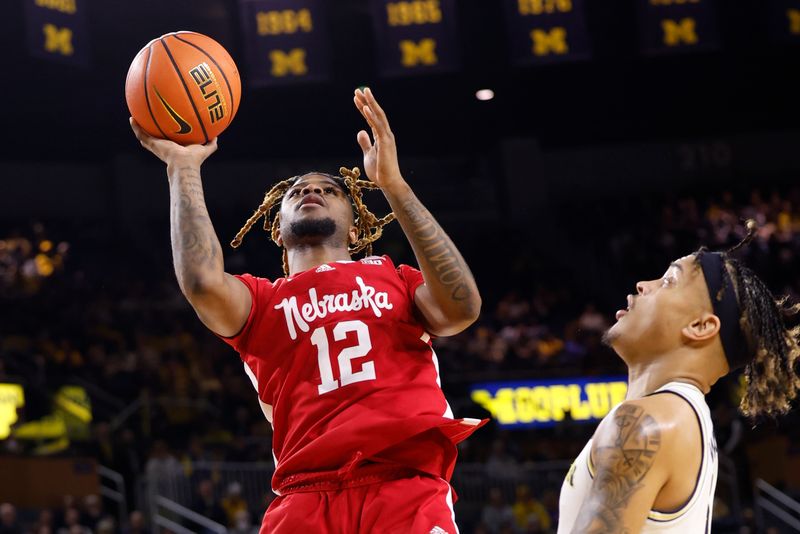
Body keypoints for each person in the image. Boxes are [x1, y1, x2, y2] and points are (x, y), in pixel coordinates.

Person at [130, 87, 485, 533]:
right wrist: (182, 168)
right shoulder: (261, 302)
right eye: (298, 190)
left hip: (403, 486)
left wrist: (394, 186)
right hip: (304, 497)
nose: (312, 190)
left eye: (329, 189)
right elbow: (201, 281)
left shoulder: (395, 276)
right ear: (276, 229)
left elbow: (462, 307)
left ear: (356, 230)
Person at [558, 222, 800, 533]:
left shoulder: (646, 424)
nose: (644, 284)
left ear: (700, 326)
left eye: (669, 281)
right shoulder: (682, 419)